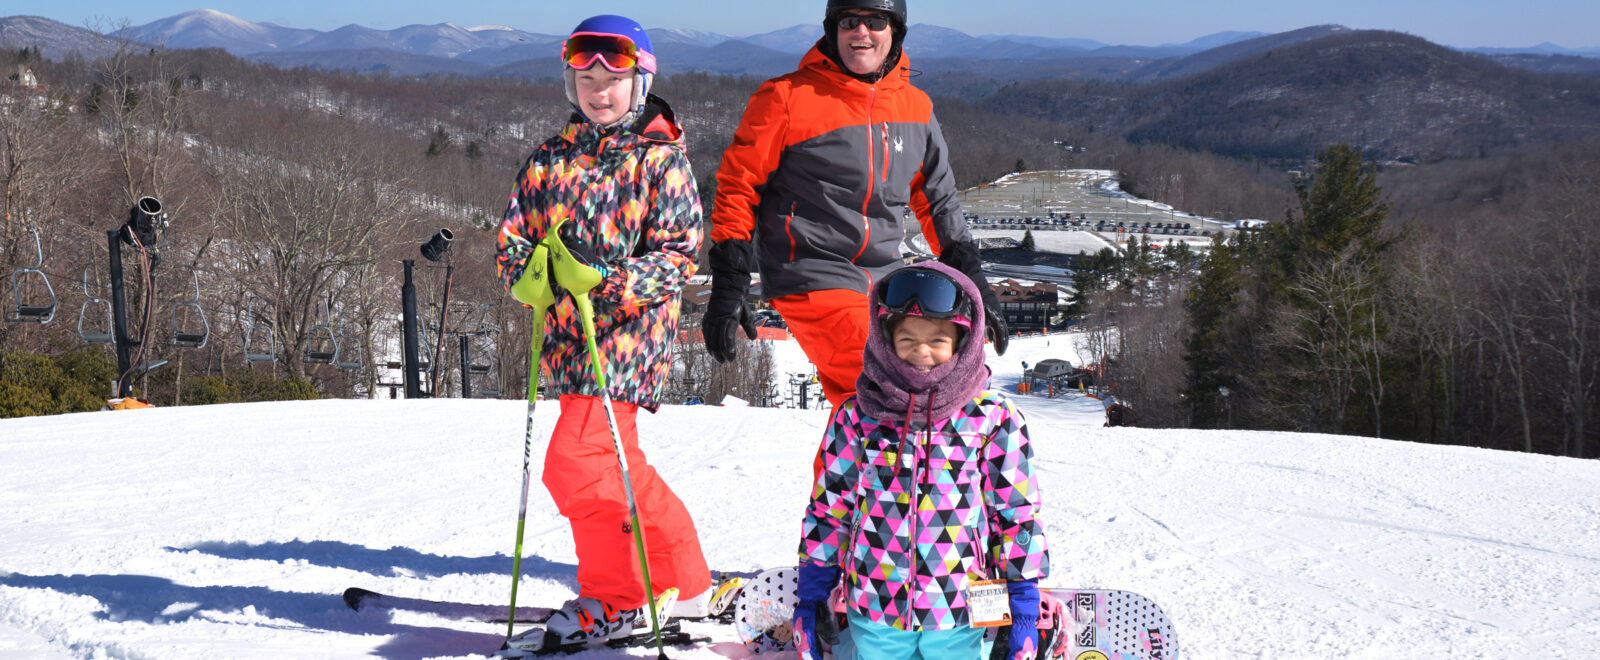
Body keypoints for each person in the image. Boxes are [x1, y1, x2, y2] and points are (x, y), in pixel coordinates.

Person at [494, 14, 713, 645]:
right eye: (584, 77)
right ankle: (670, 581)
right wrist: (532, 277)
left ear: (641, 83)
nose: (598, 89)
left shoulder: (661, 161)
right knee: (607, 467)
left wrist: (606, 281)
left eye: (613, 78)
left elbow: (677, 255)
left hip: (626, 338)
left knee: (580, 461)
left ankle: (628, 591)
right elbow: (513, 242)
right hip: (565, 339)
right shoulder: (548, 159)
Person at [703, 0, 1008, 412]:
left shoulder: (914, 106)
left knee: (929, 382)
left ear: (895, 30)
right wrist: (729, 278)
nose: (861, 32)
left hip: (885, 278)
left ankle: (866, 475)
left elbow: (937, 198)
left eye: (875, 21)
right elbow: (739, 186)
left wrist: (973, 279)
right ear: (833, 29)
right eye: (849, 21)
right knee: (891, 383)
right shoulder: (788, 97)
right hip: (811, 272)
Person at [792, 262, 1049, 660]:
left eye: (937, 340)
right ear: (884, 339)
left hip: (962, 605)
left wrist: (1024, 608)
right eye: (907, 337)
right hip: (876, 602)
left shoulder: (991, 416)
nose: (921, 352)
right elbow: (831, 508)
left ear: (963, 342)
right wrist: (812, 592)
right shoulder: (859, 414)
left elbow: (1016, 513)